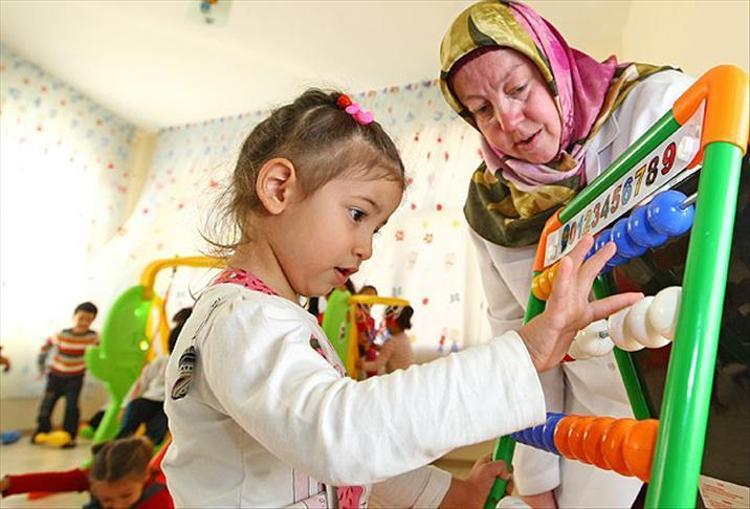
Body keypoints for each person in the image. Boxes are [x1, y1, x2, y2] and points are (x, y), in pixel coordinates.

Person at [163, 88, 640, 508]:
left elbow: (352, 459)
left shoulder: (271, 317)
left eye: (376, 229)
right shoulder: (242, 319)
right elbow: (340, 437)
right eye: (357, 214)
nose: (366, 248)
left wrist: (449, 495)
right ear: (278, 188)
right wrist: (526, 352)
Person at [438, 2, 695, 507]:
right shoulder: (493, 204)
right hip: (595, 432)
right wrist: (537, 482)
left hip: (704, 401)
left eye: (517, 88)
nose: (508, 121)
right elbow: (521, 344)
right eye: (482, 109)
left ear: (551, 67)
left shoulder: (660, 108)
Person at [1, 436, 174, 509]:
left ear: (145, 476)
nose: (117, 505)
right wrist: (9, 483)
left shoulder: (160, 498)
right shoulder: (96, 476)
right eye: (107, 499)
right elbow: (55, 481)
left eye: (126, 495)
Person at [115, 308, 192, 445]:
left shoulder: (190, 363)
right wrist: (125, 404)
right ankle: (120, 443)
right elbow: (141, 383)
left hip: (168, 404)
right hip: (150, 399)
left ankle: (150, 444)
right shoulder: (162, 360)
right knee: (136, 407)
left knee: (161, 422)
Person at [33, 301, 100, 448]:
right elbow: (44, 349)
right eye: (81, 318)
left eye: (88, 319)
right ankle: (41, 432)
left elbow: (101, 353)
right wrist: (42, 369)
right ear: (74, 317)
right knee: (47, 404)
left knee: (72, 407)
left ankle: (69, 436)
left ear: (93, 320)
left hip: (75, 377)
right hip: (55, 376)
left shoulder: (93, 337)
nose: (84, 322)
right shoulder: (62, 335)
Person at [360, 305, 416, 375]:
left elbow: (377, 366)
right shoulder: (404, 337)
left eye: (386, 322)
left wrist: (360, 365)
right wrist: (377, 347)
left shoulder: (391, 342)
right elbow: (393, 351)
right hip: (410, 375)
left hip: (398, 378)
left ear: (393, 323)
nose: (385, 326)